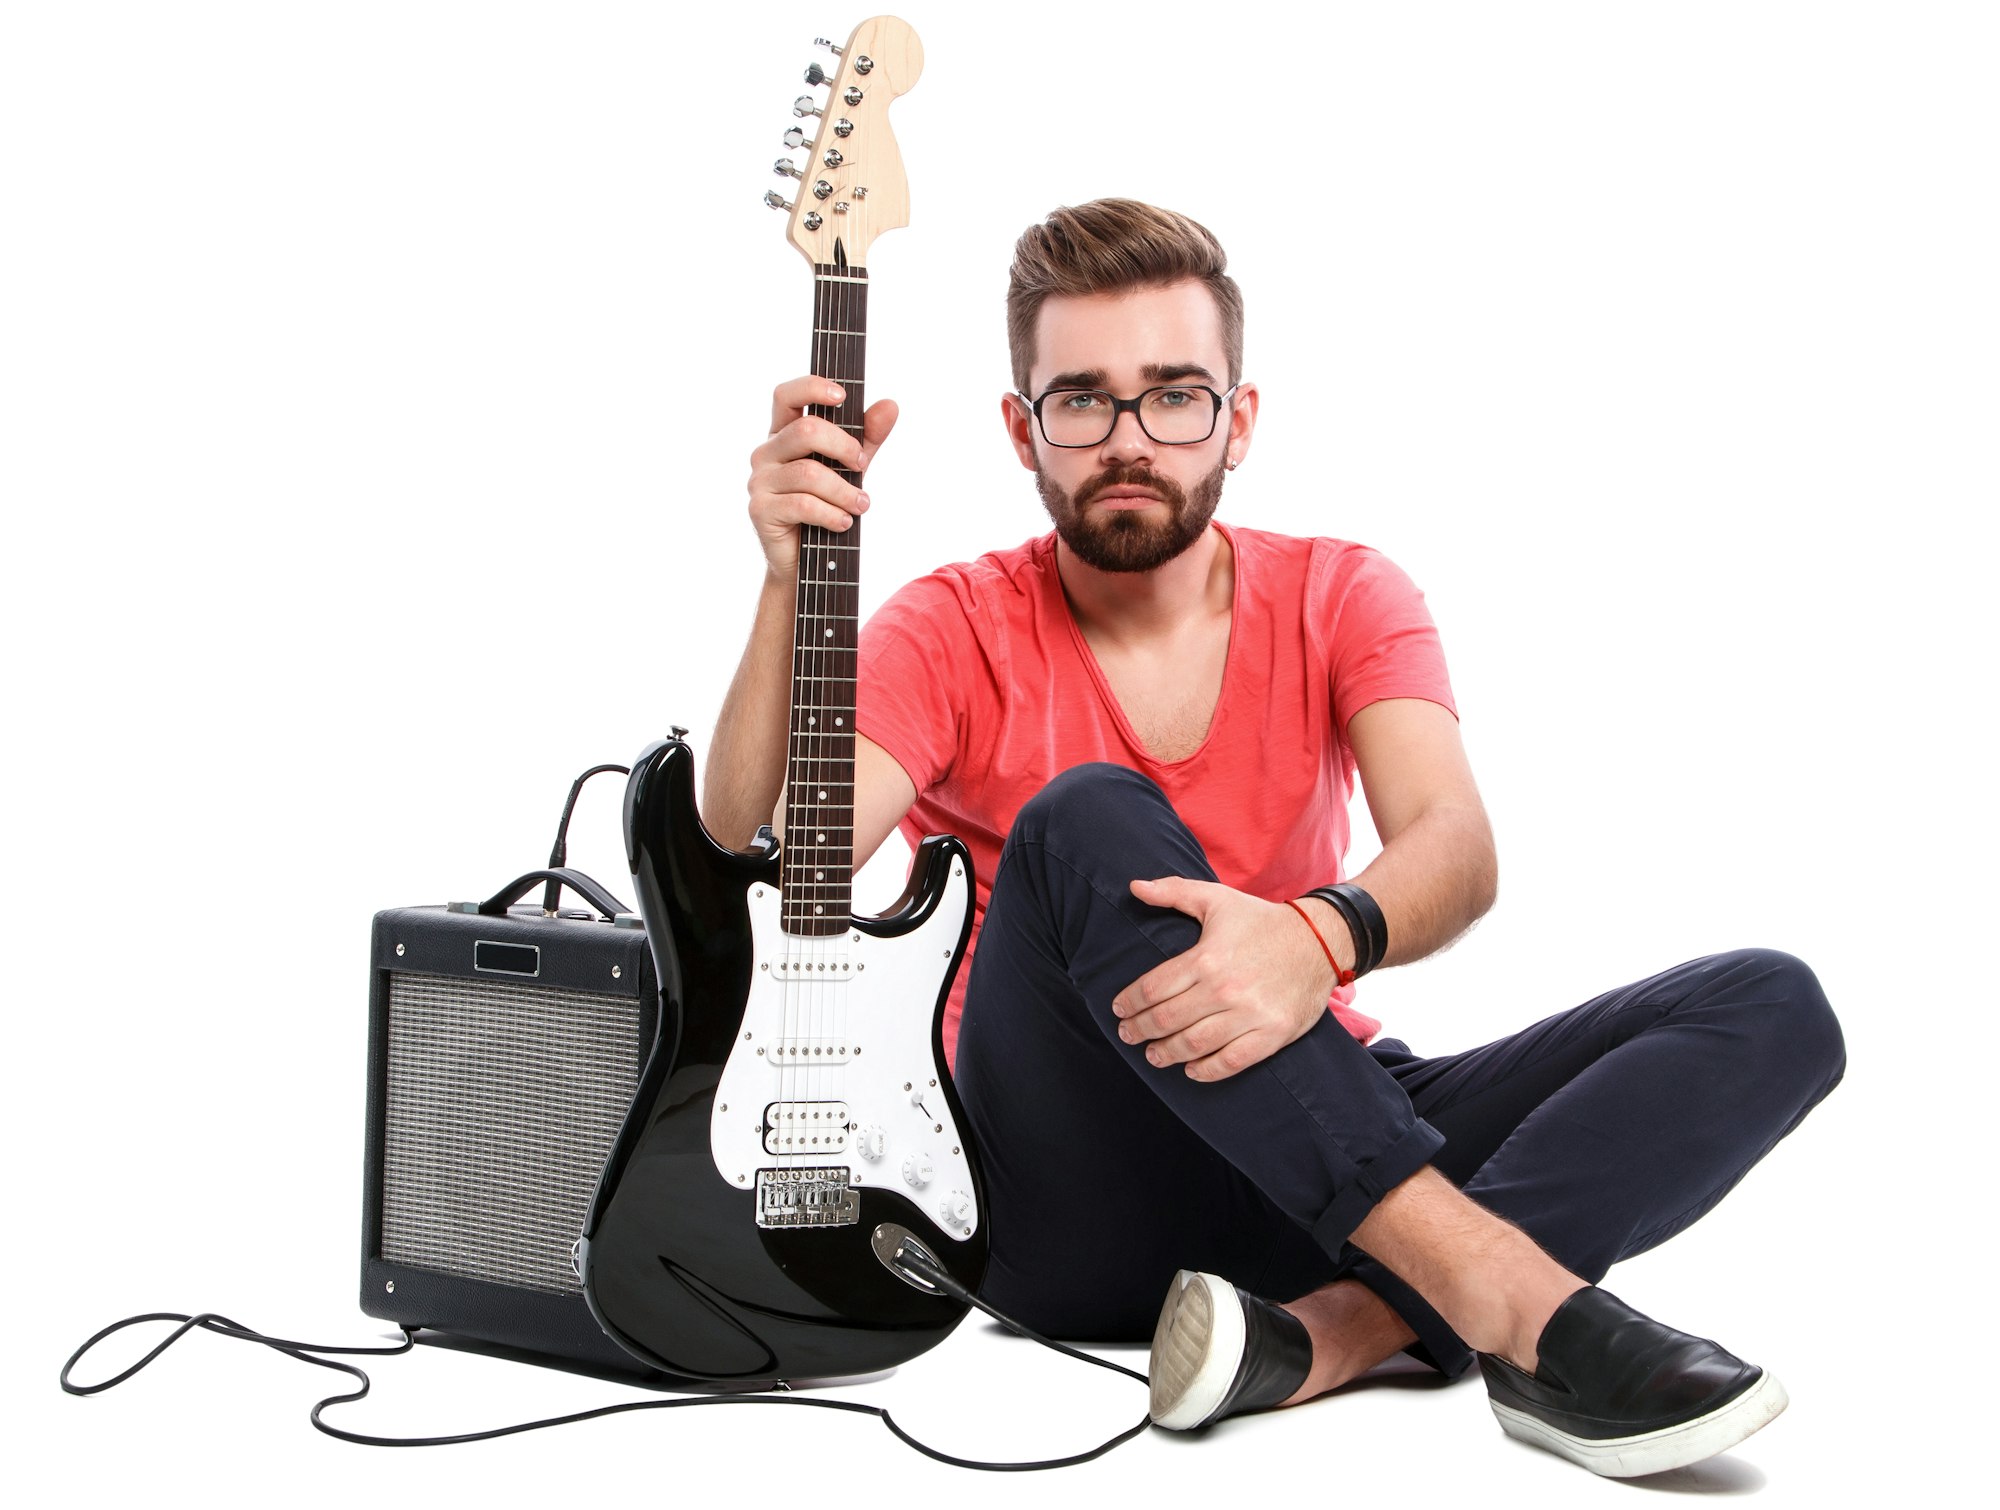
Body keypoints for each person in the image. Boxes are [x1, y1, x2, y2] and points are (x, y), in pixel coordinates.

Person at [702, 198, 1844, 1478]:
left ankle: (1333, 1331)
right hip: (1073, 1189)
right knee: (1084, 814)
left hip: (1329, 1147)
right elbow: (769, 858)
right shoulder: (952, 624)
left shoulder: (1343, 592)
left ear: (1235, 420)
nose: (1128, 440)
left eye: (1173, 396)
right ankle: (1518, 1314)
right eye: (1081, 401)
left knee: (1770, 1007)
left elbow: (1452, 846)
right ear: (1022, 431)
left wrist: (1320, 935)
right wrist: (789, 577)